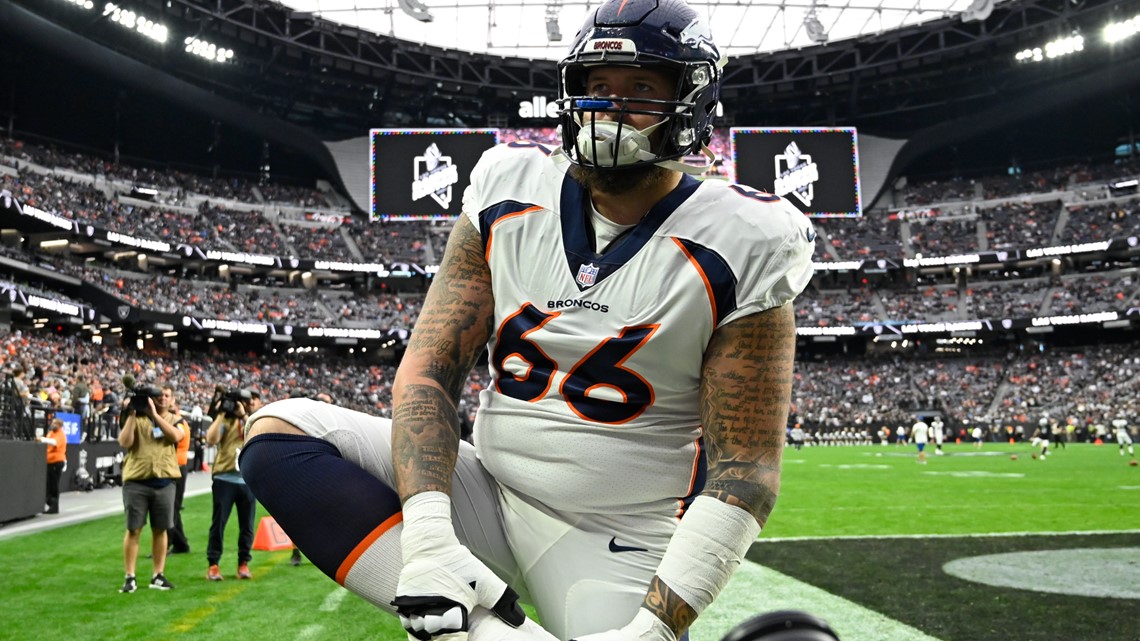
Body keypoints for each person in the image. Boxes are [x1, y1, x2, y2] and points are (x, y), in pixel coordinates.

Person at [240, 3, 814, 640]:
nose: (610, 108)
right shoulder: (506, 185)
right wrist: (429, 540)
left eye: (642, 88)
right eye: (598, 88)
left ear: (692, 101)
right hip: (487, 488)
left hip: (617, 531)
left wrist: (654, 627)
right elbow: (429, 373)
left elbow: (746, 467)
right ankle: (492, 631)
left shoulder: (748, 236)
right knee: (281, 434)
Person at [117, 384, 183, 593]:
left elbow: (175, 437)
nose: (161, 399)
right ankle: (130, 576)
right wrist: (131, 415)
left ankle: (158, 574)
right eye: (157, 397)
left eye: (165, 396)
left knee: (160, 529)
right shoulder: (135, 418)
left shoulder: (175, 419)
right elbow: (124, 442)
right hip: (136, 480)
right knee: (133, 529)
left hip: (164, 480)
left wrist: (155, 415)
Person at [204, 388, 258, 581]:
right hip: (224, 477)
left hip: (247, 479)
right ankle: (213, 564)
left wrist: (244, 415)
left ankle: (244, 563)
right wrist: (220, 413)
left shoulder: (253, 420)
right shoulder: (225, 420)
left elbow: (256, 434)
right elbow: (210, 439)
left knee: (247, 525)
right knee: (218, 524)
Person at [167, 386, 193, 555]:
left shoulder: (178, 422)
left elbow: (179, 437)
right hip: (175, 466)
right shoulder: (180, 421)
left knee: (171, 508)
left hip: (176, 466)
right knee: (172, 508)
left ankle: (168, 543)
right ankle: (180, 543)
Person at [40, 417, 67, 514]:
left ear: (59, 426)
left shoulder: (61, 434)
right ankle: (51, 504)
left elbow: (55, 443)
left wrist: (42, 439)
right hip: (50, 462)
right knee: (48, 484)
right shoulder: (51, 433)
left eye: (55, 424)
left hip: (56, 461)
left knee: (54, 485)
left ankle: (54, 506)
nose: (53, 425)